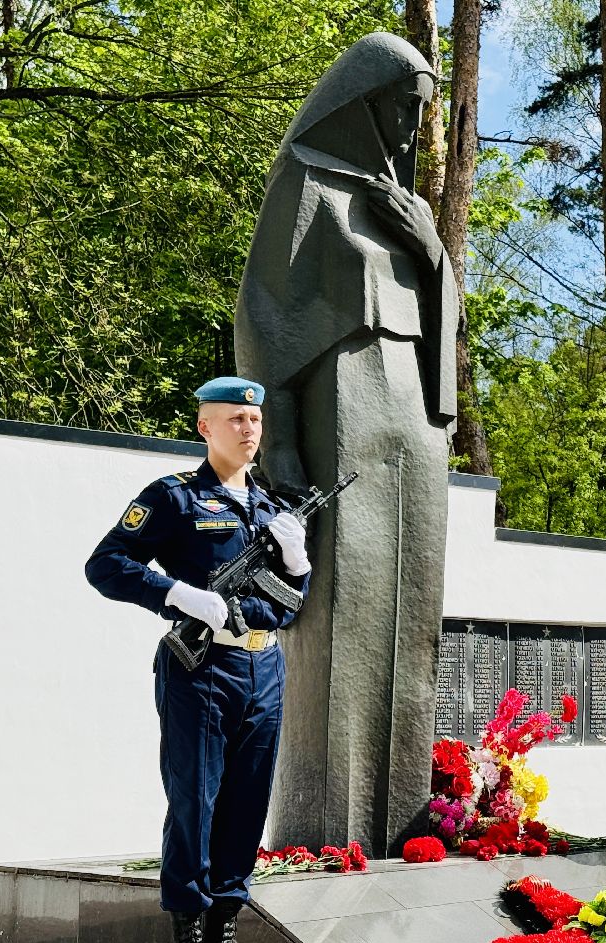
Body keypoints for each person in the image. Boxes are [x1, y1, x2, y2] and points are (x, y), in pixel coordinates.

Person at [232, 32, 456, 855]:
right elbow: (263, 318)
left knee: (410, 614)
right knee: (343, 613)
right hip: (341, 413)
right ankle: (325, 827)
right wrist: (280, 443)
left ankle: (399, 826)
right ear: (363, 102)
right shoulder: (309, 180)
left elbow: (444, 322)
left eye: (422, 113)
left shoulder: (409, 205)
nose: (410, 127)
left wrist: (430, 249)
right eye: (403, 107)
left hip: (414, 424)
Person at [84, 377, 312, 943]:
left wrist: (297, 564)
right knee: (196, 804)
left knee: (246, 806)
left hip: (264, 671)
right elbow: (105, 565)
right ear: (204, 427)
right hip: (200, 670)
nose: (248, 428)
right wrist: (177, 595)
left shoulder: (273, 508)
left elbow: (292, 609)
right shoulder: (175, 498)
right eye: (234, 418)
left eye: (254, 419)